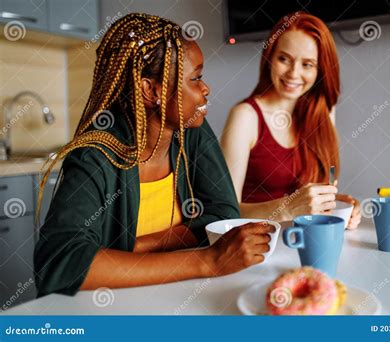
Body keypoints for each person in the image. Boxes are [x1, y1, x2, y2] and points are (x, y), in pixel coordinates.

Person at [34, 13, 274, 297]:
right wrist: (207, 261)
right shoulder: (96, 155)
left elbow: (223, 213)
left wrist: (141, 246)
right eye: (196, 78)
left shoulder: (190, 130)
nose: (205, 88)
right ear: (150, 89)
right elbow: (59, 263)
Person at [221, 12, 361, 228]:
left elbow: (311, 198)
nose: (294, 74)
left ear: (320, 70)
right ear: (270, 58)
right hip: (258, 246)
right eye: (284, 59)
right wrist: (286, 209)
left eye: (307, 64)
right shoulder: (245, 117)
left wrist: (338, 206)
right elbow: (225, 211)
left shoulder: (324, 111)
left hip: (305, 241)